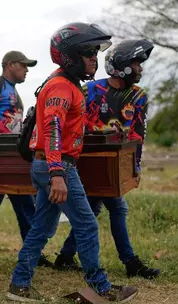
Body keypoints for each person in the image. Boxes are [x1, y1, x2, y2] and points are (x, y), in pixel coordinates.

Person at [7, 23, 137, 303]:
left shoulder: (66, 85)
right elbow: (53, 128)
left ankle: (19, 284)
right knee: (87, 225)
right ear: (70, 56)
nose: (94, 58)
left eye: (94, 53)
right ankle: (100, 287)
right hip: (57, 166)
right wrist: (57, 174)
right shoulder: (61, 87)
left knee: (41, 228)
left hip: (49, 164)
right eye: (88, 53)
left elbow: (67, 126)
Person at [54, 39, 160, 279]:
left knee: (93, 207)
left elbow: (138, 134)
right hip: (86, 160)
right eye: (136, 64)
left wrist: (135, 165)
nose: (140, 69)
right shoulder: (90, 90)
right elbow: (76, 122)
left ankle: (65, 255)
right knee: (116, 208)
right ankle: (130, 262)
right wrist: (101, 132)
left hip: (115, 163)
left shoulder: (138, 96)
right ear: (121, 65)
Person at [0, 50, 54, 268]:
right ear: (10, 64)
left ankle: (32, 252)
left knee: (20, 202)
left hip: (14, 155)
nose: (27, 70)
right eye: (24, 66)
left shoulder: (15, 92)